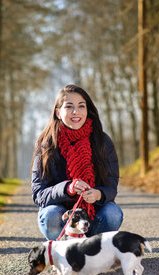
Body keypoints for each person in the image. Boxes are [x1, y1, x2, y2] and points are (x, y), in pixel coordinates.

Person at [31, 84, 123, 240]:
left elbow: (111, 185)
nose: (76, 112)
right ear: (58, 113)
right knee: (50, 215)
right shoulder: (46, 144)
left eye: (81, 106)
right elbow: (38, 193)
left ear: (88, 110)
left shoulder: (102, 141)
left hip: (92, 213)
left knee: (112, 213)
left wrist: (98, 194)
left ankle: (94, 248)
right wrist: (67, 188)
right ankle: (62, 251)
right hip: (61, 215)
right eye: (69, 107)